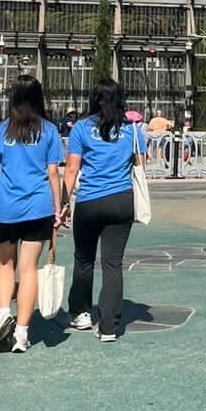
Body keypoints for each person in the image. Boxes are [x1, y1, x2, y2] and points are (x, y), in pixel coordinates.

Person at [0, 75, 64, 355]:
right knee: (28, 270)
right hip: (38, 206)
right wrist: (58, 207)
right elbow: (53, 173)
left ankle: (3, 314)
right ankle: (22, 334)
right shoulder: (49, 131)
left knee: (5, 264)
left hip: (5, 207)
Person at [61, 79, 146, 342]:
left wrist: (63, 202)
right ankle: (109, 325)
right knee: (112, 263)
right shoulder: (131, 129)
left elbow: (72, 169)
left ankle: (81, 312)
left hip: (89, 200)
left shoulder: (82, 129)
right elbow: (141, 162)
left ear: (94, 99)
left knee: (84, 259)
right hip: (121, 201)